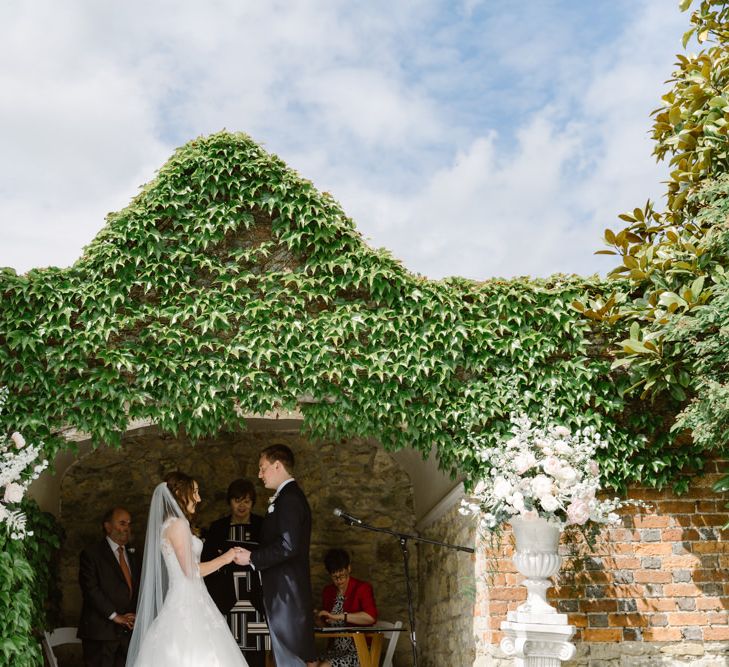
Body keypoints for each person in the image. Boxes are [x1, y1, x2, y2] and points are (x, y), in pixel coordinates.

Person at [125, 471, 250, 667]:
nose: (199, 498)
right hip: (188, 601)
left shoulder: (168, 525)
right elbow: (191, 572)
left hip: (189, 597)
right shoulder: (178, 524)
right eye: (195, 492)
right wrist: (226, 557)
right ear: (180, 493)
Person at [235, 444, 316, 667]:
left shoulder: (289, 499)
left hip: (287, 596)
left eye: (262, 468)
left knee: (290, 661)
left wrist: (252, 558)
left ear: (277, 465)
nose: (259, 474)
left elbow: (288, 545)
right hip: (284, 595)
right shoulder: (287, 497)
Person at [202, 478, 266, 667]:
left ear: (253, 503)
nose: (242, 505)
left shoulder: (262, 526)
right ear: (230, 501)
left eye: (246, 501)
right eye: (237, 500)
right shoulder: (218, 528)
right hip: (225, 602)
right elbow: (207, 563)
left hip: (255, 603)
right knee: (226, 657)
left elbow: (270, 559)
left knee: (256, 658)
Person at [78, 507, 141, 667]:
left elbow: (136, 587)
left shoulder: (133, 554)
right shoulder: (91, 554)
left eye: (129, 523)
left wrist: (135, 614)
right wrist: (115, 616)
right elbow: (91, 590)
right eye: (122, 523)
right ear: (107, 526)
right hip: (101, 633)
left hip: (127, 634)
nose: (127, 527)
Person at [313, 549, 378, 667]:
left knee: (324, 666)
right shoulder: (328, 591)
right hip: (335, 650)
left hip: (358, 651)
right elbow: (328, 628)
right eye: (334, 577)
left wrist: (340, 616)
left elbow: (370, 617)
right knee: (310, 663)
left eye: (342, 575)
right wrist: (318, 620)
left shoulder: (362, 588)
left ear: (349, 568)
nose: (339, 580)